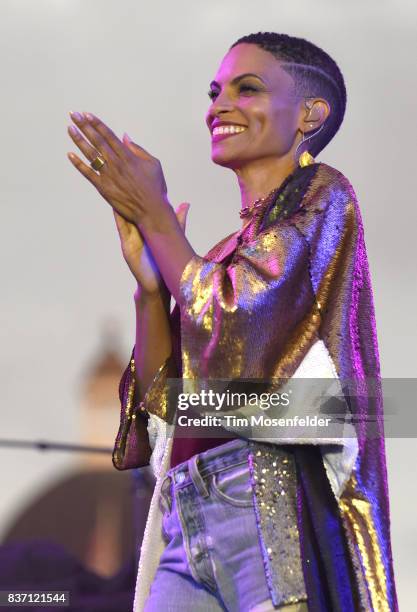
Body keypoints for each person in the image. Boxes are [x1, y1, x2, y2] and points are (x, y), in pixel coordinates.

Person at [67, 32, 398, 611]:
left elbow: (237, 318)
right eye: (215, 91)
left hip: (267, 506)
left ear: (310, 114)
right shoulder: (216, 258)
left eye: (247, 89)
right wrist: (149, 287)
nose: (220, 105)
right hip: (185, 515)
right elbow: (165, 403)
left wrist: (157, 219)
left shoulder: (326, 198)